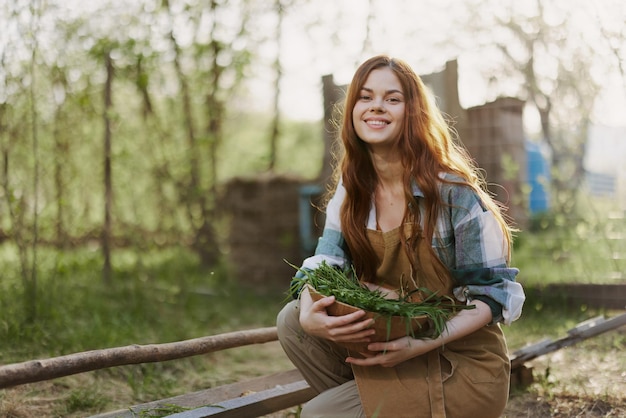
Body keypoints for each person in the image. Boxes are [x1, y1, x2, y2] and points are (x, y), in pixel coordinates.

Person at [276, 55, 525, 418]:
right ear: (352, 110)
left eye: (392, 99)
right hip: (394, 344)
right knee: (291, 321)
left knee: (321, 414)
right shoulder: (352, 192)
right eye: (365, 96)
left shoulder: (454, 195)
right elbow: (324, 265)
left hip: (455, 359)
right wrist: (308, 310)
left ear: (413, 112)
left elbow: (494, 296)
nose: (377, 105)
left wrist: (421, 342)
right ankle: (381, 402)